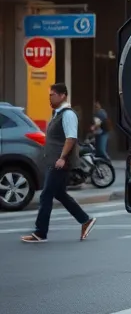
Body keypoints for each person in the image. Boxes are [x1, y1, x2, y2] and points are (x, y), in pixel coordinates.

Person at [20, 83, 97, 244]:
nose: (50, 97)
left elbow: (71, 138)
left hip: (60, 162)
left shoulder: (68, 115)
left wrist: (62, 158)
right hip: (54, 160)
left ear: (62, 95)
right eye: (50, 94)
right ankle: (85, 220)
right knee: (59, 193)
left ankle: (40, 233)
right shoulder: (57, 114)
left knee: (46, 195)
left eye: (53, 94)